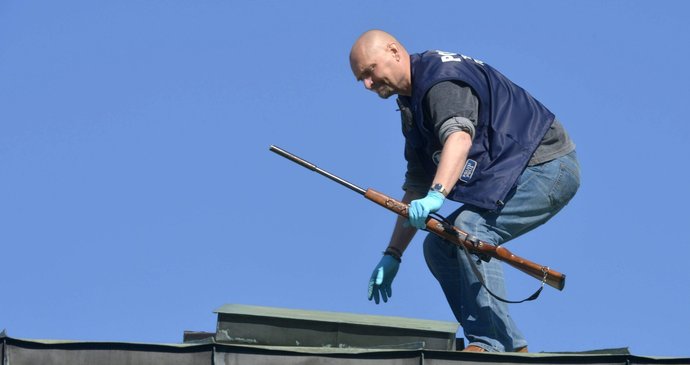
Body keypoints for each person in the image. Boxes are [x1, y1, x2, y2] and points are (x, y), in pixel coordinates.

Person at [349, 30, 580, 353]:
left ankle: (496, 345)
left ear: (394, 51)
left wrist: (437, 194)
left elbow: (458, 138)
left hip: (547, 167)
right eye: (361, 79)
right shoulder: (412, 107)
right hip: (516, 173)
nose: (368, 85)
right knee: (439, 247)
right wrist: (393, 254)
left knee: (468, 230)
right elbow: (416, 186)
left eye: (370, 71)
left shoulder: (440, 83)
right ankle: (503, 344)